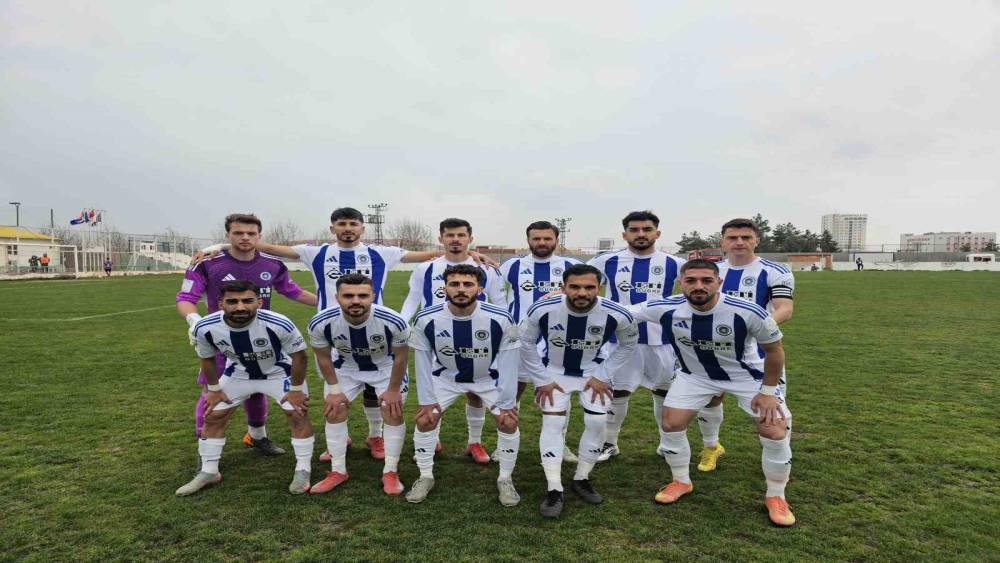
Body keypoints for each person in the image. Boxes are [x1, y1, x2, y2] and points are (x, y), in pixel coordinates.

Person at [197, 207, 495, 461]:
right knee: (335, 390)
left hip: (375, 330)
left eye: (353, 224)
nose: (348, 228)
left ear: (362, 228)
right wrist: (222, 247)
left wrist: (469, 254)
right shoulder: (317, 253)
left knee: (374, 389)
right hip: (331, 333)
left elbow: (424, 254)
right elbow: (273, 248)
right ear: (333, 228)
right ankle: (340, 440)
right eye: (342, 224)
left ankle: (375, 436)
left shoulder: (381, 253)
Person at [634, 260, 796, 527]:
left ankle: (776, 496)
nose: (698, 286)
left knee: (774, 429)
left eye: (706, 280)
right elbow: (619, 312)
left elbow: (775, 351)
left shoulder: (748, 311)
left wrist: (768, 392)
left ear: (719, 282)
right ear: (680, 283)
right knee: (671, 423)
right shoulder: (664, 307)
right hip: (695, 375)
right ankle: (681, 481)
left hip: (746, 376)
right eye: (691, 280)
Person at [176, 213, 317, 457]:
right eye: (238, 233)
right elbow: (186, 298)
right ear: (227, 235)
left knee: (257, 388)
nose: (245, 237)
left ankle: (257, 436)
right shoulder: (207, 262)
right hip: (222, 341)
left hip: (262, 341)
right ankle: (204, 446)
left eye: (251, 233)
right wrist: (194, 322)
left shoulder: (272, 264)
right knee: (211, 392)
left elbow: (292, 291)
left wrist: (329, 305)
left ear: (259, 236)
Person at [176, 280, 316, 496]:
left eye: (247, 301)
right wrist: (213, 389)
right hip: (239, 374)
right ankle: (209, 471)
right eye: (232, 302)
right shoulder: (205, 327)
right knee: (213, 415)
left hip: (279, 374)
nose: (240, 307)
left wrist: (296, 390)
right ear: (220, 303)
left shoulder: (279, 323)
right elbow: (207, 359)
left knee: (298, 414)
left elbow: (300, 357)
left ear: (259, 302)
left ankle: (303, 469)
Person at [520, 264, 639, 518]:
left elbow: (628, 345)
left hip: (593, 374)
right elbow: (526, 343)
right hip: (554, 373)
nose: (582, 292)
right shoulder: (542, 308)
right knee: (553, 424)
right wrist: (541, 379)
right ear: (563, 287)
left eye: (589, 287)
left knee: (596, 422)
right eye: (574, 287)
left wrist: (603, 375)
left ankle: (582, 478)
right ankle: (554, 487)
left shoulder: (617, 313)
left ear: (599, 287)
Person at [405, 265, 521, 506]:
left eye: (468, 284)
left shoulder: (500, 317)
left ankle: (505, 479)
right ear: (444, 288)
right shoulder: (426, 317)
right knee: (425, 420)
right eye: (454, 284)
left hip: (487, 379)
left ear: (480, 289)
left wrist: (508, 402)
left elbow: (510, 362)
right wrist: (426, 400)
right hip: (445, 378)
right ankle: (425, 476)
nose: (461, 289)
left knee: (509, 422)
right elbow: (422, 361)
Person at [400, 218, 508, 464]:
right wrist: (402, 324)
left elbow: (500, 303)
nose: (455, 240)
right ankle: (432, 437)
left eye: (461, 235)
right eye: (450, 235)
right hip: (435, 338)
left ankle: (475, 442)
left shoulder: (486, 269)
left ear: (470, 238)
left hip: (479, 338)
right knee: (433, 387)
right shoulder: (425, 269)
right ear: (441, 239)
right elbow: (412, 299)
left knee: (476, 392)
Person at [695, 218, 796, 472]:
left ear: (756, 241)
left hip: (759, 354)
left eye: (746, 237)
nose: (739, 242)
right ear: (722, 242)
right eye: (732, 237)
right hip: (715, 351)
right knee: (710, 399)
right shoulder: (711, 272)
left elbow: (784, 308)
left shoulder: (775, 270)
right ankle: (711, 447)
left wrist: (758, 328)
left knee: (773, 408)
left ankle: (781, 453)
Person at [587, 211, 685, 461]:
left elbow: (704, 284)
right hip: (620, 341)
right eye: (634, 230)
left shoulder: (674, 263)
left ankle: (666, 443)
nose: (641, 234)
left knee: (664, 392)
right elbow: (574, 278)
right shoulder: (606, 261)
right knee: (617, 392)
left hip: (662, 341)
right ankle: (609, 443)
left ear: (657, 233)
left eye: (647, 229)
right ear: (625, 234)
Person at [306, 274, 410, 496]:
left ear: (373, 296)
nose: (356, 301)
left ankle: (390, 471)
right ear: (337, 297)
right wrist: (334, 391)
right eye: (348, 296)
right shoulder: (321, 322)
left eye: (363, 295)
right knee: (335, 409)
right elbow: (323, 357)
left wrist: (393, 390)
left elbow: (401, 357)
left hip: (385, 367)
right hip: (346, 367)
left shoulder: (394, 321)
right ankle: (338, 471)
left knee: (392, 410)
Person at [498, 220, 581, 462]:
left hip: (558, 339)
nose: (542, 242)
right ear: (528, 240)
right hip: (518, 339)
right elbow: (492, 288)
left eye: (547, 238)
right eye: (536, 238)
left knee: (559, 393)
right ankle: (504, 444)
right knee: (511, 392)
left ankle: (559, 445)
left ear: (556, 240)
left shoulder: (571, 265)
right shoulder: (512, 266)